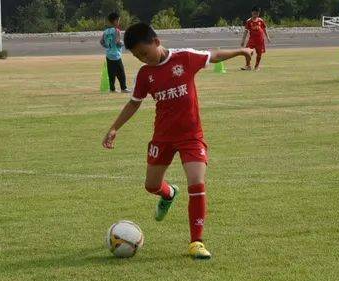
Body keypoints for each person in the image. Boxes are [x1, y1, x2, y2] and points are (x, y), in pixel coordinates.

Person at [101, 22, 252, 260]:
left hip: (191, 136)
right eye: (138, 56)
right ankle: (168, 193)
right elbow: (134, 103)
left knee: (196, 181)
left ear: (156, 41)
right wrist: (114, 128)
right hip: (163, 137)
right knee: (151, 185)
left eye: (144, 52)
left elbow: (213, 56)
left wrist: (240, 51)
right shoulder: (145, 75)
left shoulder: (185, 58)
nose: (143, 58)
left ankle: (196, 242)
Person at [100, 12, 128, 93]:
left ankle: (112, 89)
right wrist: (123, 43)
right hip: (116, 55)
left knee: (111, 73)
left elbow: (101, 41)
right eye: (118, 20)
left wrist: (107, 47)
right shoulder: (117, 31)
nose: (119, 22)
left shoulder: (106, 31)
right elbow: (117, 42)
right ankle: (123, 88)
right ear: (115, 21)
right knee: (121, 72)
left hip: (109, 55)